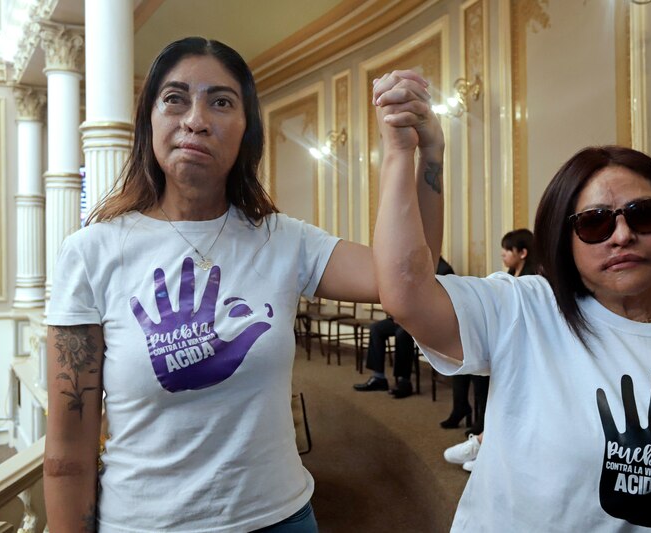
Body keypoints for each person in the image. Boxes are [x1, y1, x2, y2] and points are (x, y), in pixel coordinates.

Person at [43, 38, 442, 532]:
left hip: (279, 518)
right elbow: (67, 453)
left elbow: (406, 280)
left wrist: (415, 153)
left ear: (246, 129)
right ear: (149, 119)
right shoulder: (92, 252)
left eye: (221, 101)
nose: (196, 119)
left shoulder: (281, 239)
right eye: (175, 98)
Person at [372, 131, 651, 530]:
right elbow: (407, 293)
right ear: (565, 239)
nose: (623, 235)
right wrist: (414, 153)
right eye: (595, 223)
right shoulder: (526, 309)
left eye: (644, 215)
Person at [441, 229, 535, 434]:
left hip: (520, 340)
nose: (503, 254)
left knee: (482, 370)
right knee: (465, 360)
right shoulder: (509, 276)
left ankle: (482, 421)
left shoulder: (533, 279)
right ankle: (460, 408)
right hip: (503, 333)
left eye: (507, 250)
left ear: (523, 253)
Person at [354, 257, 454, 398]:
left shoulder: (445, 270)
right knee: (376, 329)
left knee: (403, 333)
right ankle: (379, 377)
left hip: (426, 320)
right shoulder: (416, 265)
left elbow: (442, 303)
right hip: (405, 317)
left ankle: (404, 381)